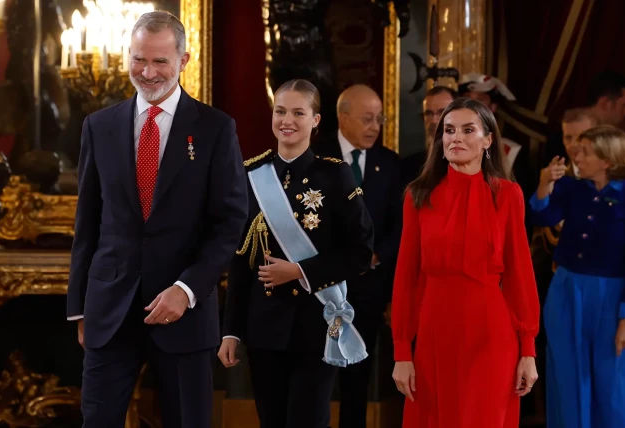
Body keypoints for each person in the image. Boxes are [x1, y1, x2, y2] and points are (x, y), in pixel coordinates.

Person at [66, 11, 248, 427]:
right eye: (138, 60)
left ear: (184, 61)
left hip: (184, 312)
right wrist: (80, 309)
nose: (147, 73)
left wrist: (187, 289)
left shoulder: (216, 128)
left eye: (160, 61)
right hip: (109, 312)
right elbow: (88, 223)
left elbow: (230, 221)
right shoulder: (99, 126)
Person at [219, 79, 374, 428]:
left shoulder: (335, 175)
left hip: (315, 324)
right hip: (263, 327)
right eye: (280, 111)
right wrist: (231, 331)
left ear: (315, 120)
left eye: (298, 112)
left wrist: (301, 272)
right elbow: (240, 261)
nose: (287, 120)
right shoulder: (250, 175)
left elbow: (360, 252)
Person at [391, 97, 540, 428]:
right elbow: (406, 277)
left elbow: (520, 275)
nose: (455, 138)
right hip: (434, 334)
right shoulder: (418, 195)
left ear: (488, 140)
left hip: (491, 334)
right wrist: (402, 351)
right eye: (448, 130)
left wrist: (528, 350)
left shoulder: (508, 195)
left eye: (467, 130)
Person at [312, 84, 402, 428]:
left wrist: (375, 257)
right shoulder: (315, 156)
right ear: (342, 117)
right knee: (316, 380)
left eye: (379, 119)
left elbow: (400, 226)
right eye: (366, 119)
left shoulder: (388, 163)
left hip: (368, 291)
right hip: (322, 289)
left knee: (357, 382)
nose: (374, 127)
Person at [529, 125, 625, 428]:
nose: (576, 156)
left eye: (585, 151)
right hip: (566, 289)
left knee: (610, 380)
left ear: (607, 160)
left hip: (612, 297)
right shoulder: (572, 188)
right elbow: (541, 216)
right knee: (566, 373)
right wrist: (544, 184)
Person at [400, 85, 458, 187]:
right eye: (429, 114)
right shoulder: (407, 166)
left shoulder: (475, 163)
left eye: (441, 112)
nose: (434, 120)